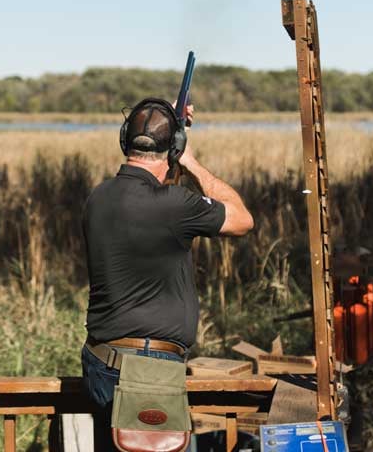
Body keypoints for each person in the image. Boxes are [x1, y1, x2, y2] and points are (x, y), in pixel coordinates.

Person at [81, 97, 254, 449]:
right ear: (172, 149)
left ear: (124, 140)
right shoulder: (175, 205)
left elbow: (150, 199)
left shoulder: (98, 198)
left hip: (100, 361)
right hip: (147, 371)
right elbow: (241, 219)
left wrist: (169, 129)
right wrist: (190, 161)